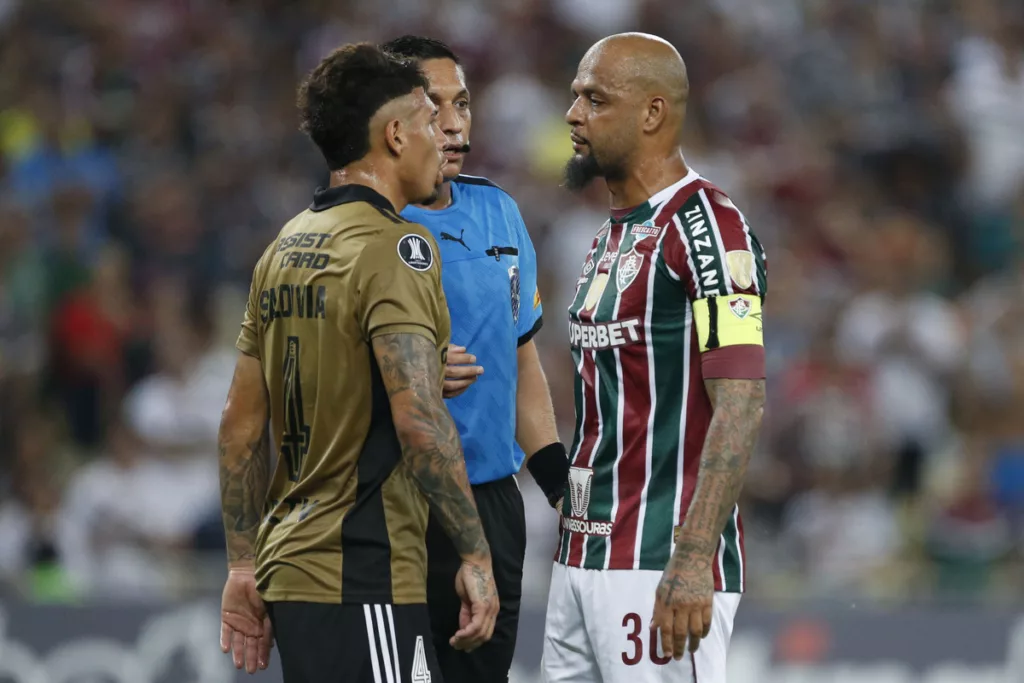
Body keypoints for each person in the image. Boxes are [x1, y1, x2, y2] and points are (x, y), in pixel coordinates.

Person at [215, 43, 499, 682]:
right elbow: (419, 421)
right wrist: (475, 555)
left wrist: (241, 564)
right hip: (361, 569)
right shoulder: (398, 247)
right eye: (429, 120)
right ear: (396, 135)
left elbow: (239, 425)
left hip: (290, 566)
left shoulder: (283, 247)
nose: (443, 135)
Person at [542, 33, 767, 683]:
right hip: (582, 558)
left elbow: (742, 399)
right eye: (575, 95)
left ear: (652, 113)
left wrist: (694, 557)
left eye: (595, 99)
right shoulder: (611, 234)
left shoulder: (710, 229)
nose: (573, 114)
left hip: (659, 566)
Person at [380, 35, 570, 683]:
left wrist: (559, 485)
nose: (455, 121)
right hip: (394, 501)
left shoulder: (499, 212)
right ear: (391, 120)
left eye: (463, 102)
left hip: (491, 502)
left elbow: (522, 365)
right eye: (434, 106)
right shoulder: (365, 226)